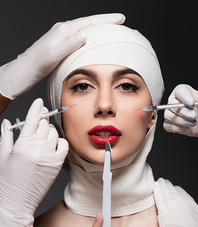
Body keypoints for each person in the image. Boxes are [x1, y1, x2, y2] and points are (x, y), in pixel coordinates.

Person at [1, 21, 198, 227]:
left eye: (126, 86)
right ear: (58, 114)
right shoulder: (14, 221)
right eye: (83, 86)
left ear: (153, 114)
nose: (104, 105)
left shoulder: (185, 217)